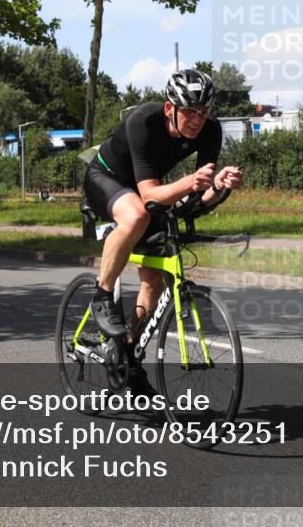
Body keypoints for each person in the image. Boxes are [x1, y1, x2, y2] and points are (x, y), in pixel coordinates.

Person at [83, 69, 244, 394]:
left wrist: (220, 186)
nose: (197, 119)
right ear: (171, 109)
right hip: (107, 178)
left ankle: (127, 351)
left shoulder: (211, 132)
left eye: (203, 112)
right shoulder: (144, 121)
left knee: (154, 282)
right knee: (136, 214)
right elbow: (149, 195)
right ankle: (102, 296)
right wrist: (188, 182)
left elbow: (198, 199)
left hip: (151, 191)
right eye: (190, 111)